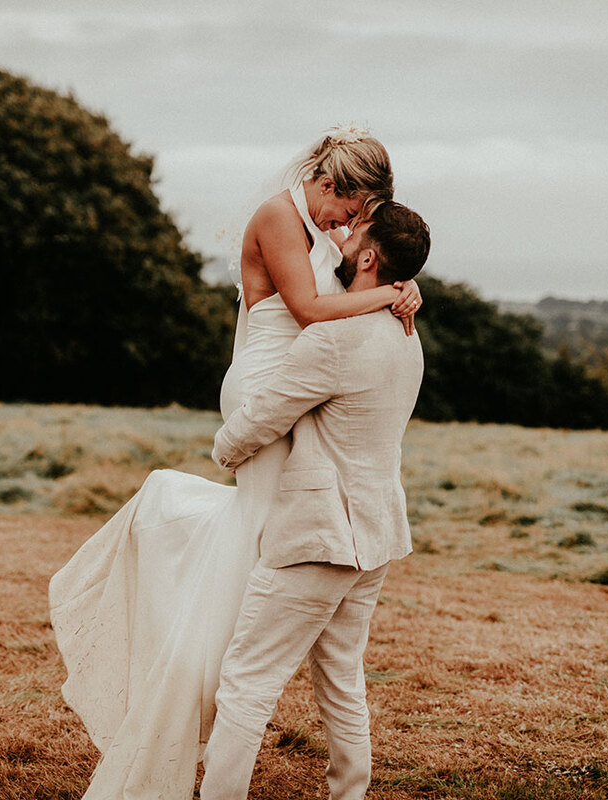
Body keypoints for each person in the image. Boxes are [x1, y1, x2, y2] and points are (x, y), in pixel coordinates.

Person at [48, 127, 420, 799]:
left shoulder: (325, 232)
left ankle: (218, 679)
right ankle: (196, 682)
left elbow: (344, 299)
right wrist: (386, 295)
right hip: (268, 385)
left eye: (356, 227)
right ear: (331, 187)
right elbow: (309, 310)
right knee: (268, 546)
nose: (344, 231)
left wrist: (399, 287)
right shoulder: (281, 215)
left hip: (303, 383)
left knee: (260, 548)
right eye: (347, 214)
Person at [199, 199, 430, 800]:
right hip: (375, 537)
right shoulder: (408, 338)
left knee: (246, 681)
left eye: (357, 235)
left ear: (371, 258)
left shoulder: (333, 340)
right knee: (342, 680)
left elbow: (264, 418)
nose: (345, 237)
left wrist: (222, 450)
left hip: (319, 537)